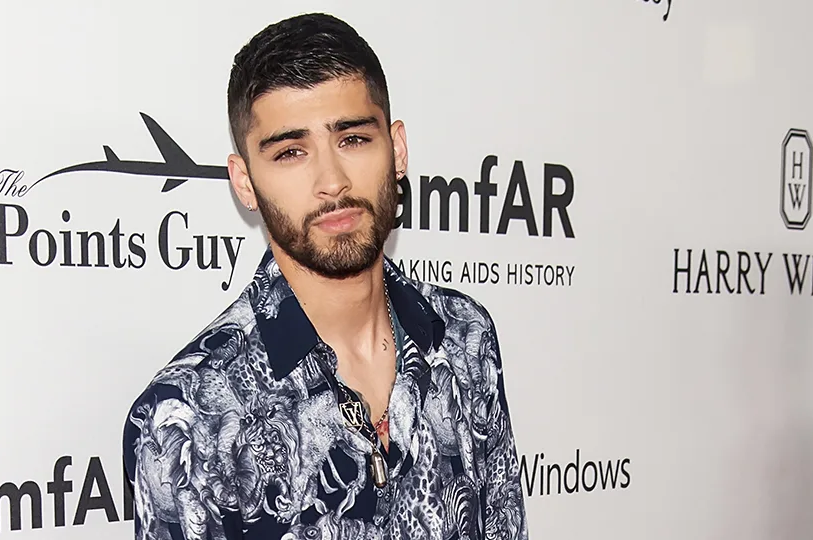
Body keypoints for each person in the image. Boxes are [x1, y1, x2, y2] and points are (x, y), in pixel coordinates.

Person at [122, 12, 528, 540]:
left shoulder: (465, 336)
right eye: (291, 152)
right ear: (244, 182)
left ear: (397, 149)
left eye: (353, 139)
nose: (331, 181)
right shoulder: (186, 419)